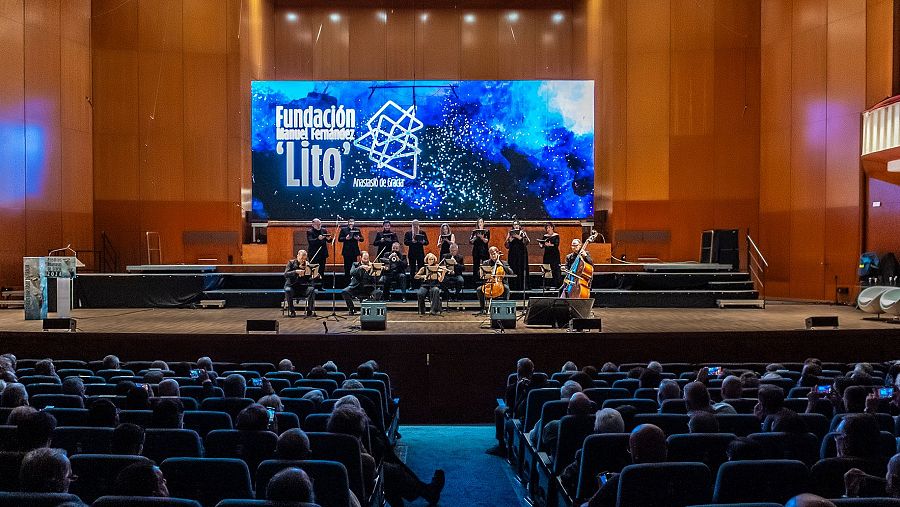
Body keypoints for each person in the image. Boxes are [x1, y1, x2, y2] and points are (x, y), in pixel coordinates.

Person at [585, 424, 668, 507]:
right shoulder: (677, 474)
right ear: (665, 450)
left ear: (636, 453)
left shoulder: (621, 481)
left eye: (630, 449)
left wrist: (604, 488)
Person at [475, 246, 512, 315]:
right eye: (491, 254)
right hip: (489, 283)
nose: (493, 256)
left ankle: (504, 308)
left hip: (501, 283)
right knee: (479, 289)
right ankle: (483, 309)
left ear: (498, 253)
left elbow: (511, 272)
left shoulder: (503, 262)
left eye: (494, 254)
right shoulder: (486, 263)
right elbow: (479, 273)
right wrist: (481, 271)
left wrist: (502, 266)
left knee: (506, 289)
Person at [283, 249, 318, 318]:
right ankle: (292, 311)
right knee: (287, 290)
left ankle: (309, 310)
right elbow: (286, 274)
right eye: (302, 258)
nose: (303, 261)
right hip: (292, 286)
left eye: (305, 259)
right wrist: (296, 271)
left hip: (303, 288)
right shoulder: (291, 263)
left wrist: (314, 275)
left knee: (311, 289)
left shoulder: (308, 265)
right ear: (297, 256)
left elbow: (309, 279)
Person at [342, 251, 378, 315]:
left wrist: (371, 270)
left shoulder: (372, 265)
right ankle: (352, 309)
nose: (366, 260)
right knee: (344, 291)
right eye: (364, 259)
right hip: (356, 287)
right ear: (360, 258)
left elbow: (375, 280)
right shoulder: (355, 264)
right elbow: (352, 272)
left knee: (379, 293)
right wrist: (360, 267)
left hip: (367, 288)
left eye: (367, 259)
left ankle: (370, 308)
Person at [505, 220, 530, 291]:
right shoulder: (510, 233)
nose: (516, 226)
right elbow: (506, 245)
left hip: (521, 254)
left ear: (519, 226)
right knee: (513, 268)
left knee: (521, 268)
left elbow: (527, 242)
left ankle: (522, 286)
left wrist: (520, 238)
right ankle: (513, 286)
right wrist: (509, 240)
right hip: (513, 254)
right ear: (513, 226)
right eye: (514, 224)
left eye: (517, 224)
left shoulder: (523, 232)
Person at [404, 219, 429, 286]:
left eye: (417, 225)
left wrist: (423, 242)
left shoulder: (422, 232)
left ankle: (420, 284)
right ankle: (412, 285)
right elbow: (405, 242)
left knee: (421, 268)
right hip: (412, 253)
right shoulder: (408, 233)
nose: (415, 226)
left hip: (420, 253)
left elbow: (427, 242)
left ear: (418, 225)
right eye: (414, 225)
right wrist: (411, 242)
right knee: (412, 269)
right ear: (412, 225)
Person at [306, 218, 330, 284]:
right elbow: (311, 241)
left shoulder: (324, 230)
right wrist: (318, 239)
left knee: (321, 270)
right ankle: (313, 284)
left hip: (322, 253)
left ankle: (320, 285)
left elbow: (328, 240)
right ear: (313, 225)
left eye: (320, 224)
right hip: (314, 253)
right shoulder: (310, 231)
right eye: (317, 224)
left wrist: (329, 239)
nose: (319, 225)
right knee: (314, 269)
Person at [538, 221, 561, 287]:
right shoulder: (545, 236)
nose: (548, 229)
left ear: (552, 228)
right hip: (547, 254)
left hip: (554, 254)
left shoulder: (556, 235)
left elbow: (556, 244)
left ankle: (557, 284)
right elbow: (542, 245)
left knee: (555, 268)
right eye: (547, 228)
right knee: (547, 268)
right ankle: (547, 285)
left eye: (549, 227)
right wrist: (541, 245)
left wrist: (550, 245)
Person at [470, 218, 490, 284]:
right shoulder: (474, 232)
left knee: (485, 265)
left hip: (484, 250)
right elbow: (471, 241)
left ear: (483, 223)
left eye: (481, 222)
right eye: (479, 222)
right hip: (476, 251)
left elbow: (486, 241)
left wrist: (481, 237)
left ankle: (486, 280)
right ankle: (475, 281)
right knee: (476, 266)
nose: (480, 223)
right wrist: (475, 238)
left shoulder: (487, 231)